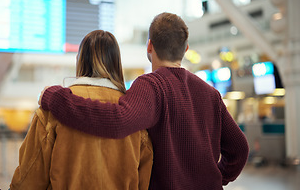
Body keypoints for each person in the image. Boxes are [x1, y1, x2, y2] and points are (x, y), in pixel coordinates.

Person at [39, 12, 249, 189]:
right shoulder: (210, 94)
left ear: (149, 46)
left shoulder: (152, 86)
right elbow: (240, 148)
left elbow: (117, 121)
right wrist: (216, 177)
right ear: (185, 49)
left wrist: (56, 98)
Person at [10, 30, 153, 190]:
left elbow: (29, 178)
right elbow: (145, 180)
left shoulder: (51, 110)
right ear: (116, 64)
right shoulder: (133, 114)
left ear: (79, 60)